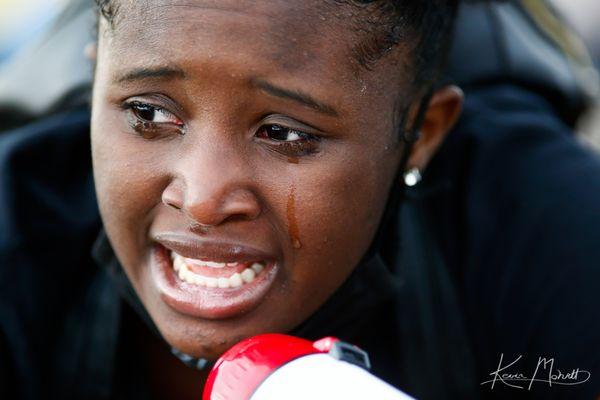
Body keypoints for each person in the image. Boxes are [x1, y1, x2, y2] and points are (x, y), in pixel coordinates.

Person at [1, 1, 599, 400]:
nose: (204, 199)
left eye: (284, 133)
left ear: (422, 132)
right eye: (149, 114)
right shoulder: (15, 229)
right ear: (97, 77)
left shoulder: (554, 233)